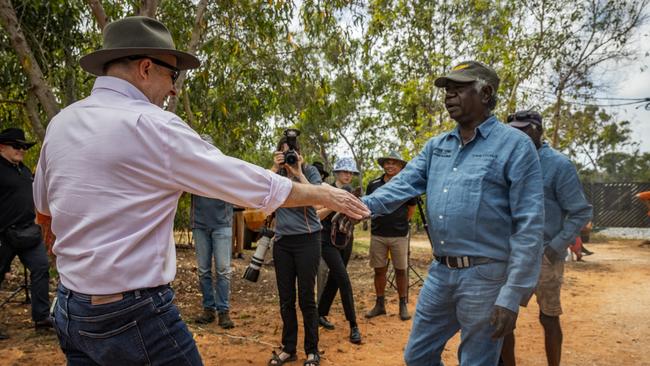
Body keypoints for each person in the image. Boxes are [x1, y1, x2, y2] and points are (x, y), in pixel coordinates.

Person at [32, 16, 369, 366]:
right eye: (172, 76)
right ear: (146, 68)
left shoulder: (61, 123)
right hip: (133, 313)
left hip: (71, 307)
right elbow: (241, 181)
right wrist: (323, 194)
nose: (174, 89)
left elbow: (44, 213)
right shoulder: (152, 125)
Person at [345, 61, 545, 365]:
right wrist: (355, 207)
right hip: (440, 275)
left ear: (486, 93)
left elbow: (529, 226)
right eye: (447, 90)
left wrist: (512, 294)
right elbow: (401, 186)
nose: (448, 96)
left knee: (475, 361)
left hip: (486, 277)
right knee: (418, 357)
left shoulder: (515, 147)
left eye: (459, 89)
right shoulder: (437, 146)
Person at [501, 110, 592, 366]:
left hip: (544, 255)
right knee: (504, 316)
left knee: (548, 318)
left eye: (524, 129)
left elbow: (580, 211)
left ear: (538, 130)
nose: (518, 135)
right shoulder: (505, 161)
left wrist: (556, 247)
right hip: (507, 253)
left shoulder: (559, 165)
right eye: (513, 130)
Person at [268, 135, 323, 366]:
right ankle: (289, 349)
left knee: (306, 298)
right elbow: (262, 193)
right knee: (286, 299)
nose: (288, 156)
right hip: (283, 242)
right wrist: (274, 166)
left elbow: (318, 198)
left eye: (291, 152)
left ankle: (312, 351)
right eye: (283, 152)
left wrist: (298, 171)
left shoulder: (309, 171)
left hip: (308, 240)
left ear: (299, 153)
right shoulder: (276, 175)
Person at [0, 128, 53, 340]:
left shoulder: (22, 170)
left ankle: (41, 318)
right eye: (17, 146)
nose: (21, 150)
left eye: (23, 146)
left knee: (41, 267)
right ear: (1, 147)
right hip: (4, 234)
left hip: (28, 232)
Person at [364, 151, 416, 321]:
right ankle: (380, 304)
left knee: (401, 270)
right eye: (387, 162)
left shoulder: (406, 185)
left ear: (401, 166)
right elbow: (368, 206)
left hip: (399, 235)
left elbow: (411, 209)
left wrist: (399, 222)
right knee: (379, 270)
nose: (390, 165)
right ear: (383, 165)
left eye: (395, 163)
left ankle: (403, 304)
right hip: (378, 234)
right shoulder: (373, 185)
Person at [191, 135, 235, 329]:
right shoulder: (191, 171)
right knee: (203, 270)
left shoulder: (224, 170)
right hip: (200, 223)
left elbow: (236, 189)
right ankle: (208, 309)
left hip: (221, 224)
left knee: (223, 270)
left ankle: (223, 311)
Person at [316, 157, 362, 344]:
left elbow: (357, 216)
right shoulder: (325, 189)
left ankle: (320, 313)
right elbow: (316, 214)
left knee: (335, 279)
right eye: (344, 171)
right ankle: (353, 325)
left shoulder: (352, 191)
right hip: (326, 240)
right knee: (343, 279)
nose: (348, 175)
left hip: (346, 239)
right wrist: (335, 204)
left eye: (351, 172)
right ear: (336, 173)